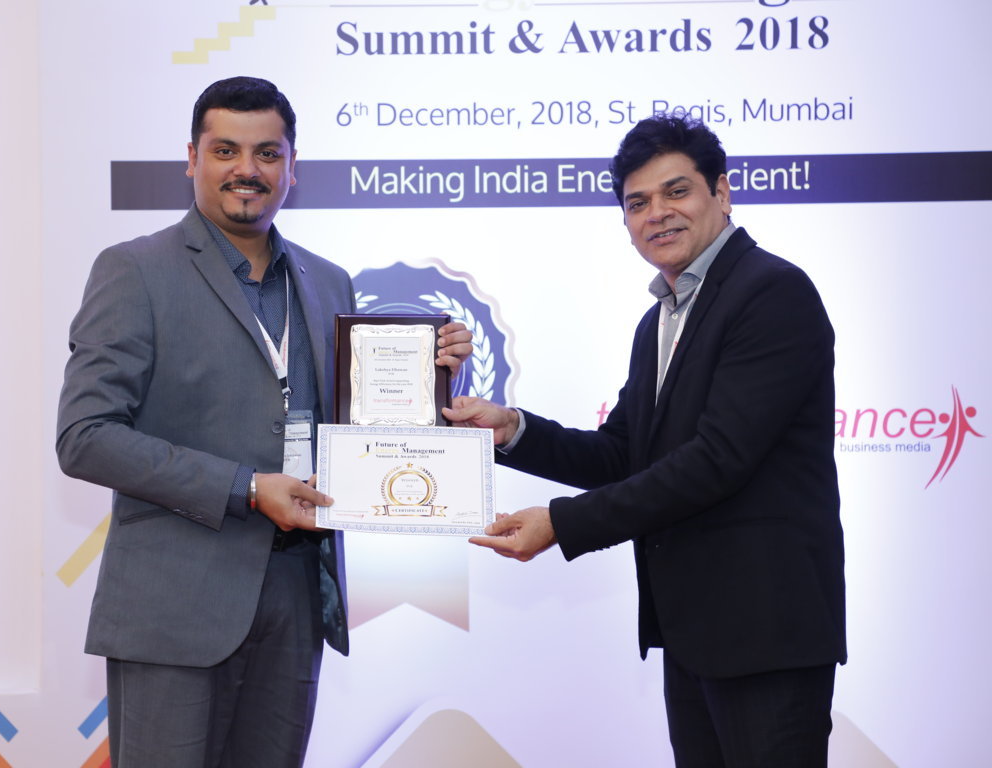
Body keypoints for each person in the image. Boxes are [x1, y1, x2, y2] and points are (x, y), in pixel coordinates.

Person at [56, 76, 472, 768]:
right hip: (176, 605)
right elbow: (85, 437)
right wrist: (246, 488)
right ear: (192, 158)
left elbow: (357, 432)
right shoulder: (135, 270)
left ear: (291, 166)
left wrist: (433, 380)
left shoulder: (328, 281)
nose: (247, 170)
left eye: (267, 154)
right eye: (226, 150)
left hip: (297, 595)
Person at [445, 114, 846, 767]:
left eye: (676, 191)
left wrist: (563, 523)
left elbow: (717, 461)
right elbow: (622, 456)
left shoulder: (772, 292)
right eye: (637, 203)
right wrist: (513, 429)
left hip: (767, 633)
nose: (656, 213)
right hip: (692, 634)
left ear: (722, 191)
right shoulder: (658, 320)